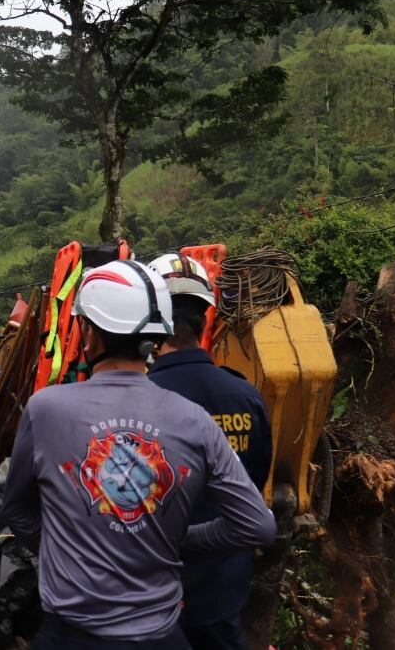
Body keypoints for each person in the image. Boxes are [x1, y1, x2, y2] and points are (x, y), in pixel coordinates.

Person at [1, 259, 276, 649]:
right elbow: (257, 525)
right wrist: (177, 538)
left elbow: (16, 509)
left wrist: (70, 548)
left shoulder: (45, 409)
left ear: (90, 336)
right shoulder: (193, 419)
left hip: (70, 635)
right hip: (163, 635)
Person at [146, 254, 273, 650]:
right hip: (224, 588)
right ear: (204, 321)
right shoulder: (246, 396)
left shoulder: (137, 401)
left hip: (153, 590)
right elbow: (255, 480)